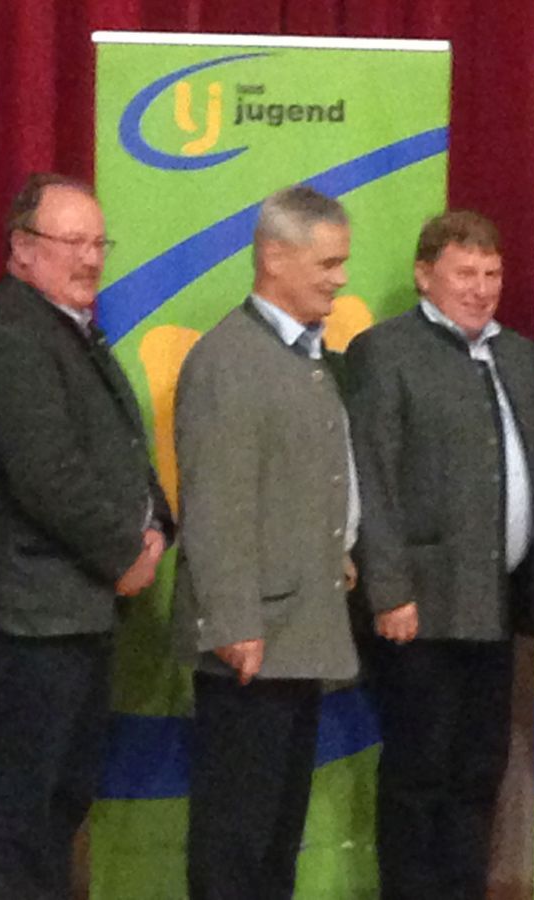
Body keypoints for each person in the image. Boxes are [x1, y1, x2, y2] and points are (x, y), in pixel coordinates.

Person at [0, 173, 172, 900]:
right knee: (20, 814)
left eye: (99, 243)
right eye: (71, 242)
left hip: (71, 615)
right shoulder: (8, 336)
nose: (90, 258)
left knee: (61, 802)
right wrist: (125, 553)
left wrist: (157, 525)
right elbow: (48, 475)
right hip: (26, 619)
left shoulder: (68, 328)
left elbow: (122, 446)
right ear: (21, 248)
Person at [347, 210, 534, 900]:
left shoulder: (517, 355)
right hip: (419, 610)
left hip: (496, 605)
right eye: (466, 273)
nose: (482, 288)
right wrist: (389, 591)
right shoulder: (384, 351)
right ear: (424, 275)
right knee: (418, 773)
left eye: (493, 273)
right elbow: (370, 478)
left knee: (479, 770)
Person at [172, 185, 360, 900]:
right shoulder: (229, 359)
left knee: (277, 835)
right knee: (237, 837)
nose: (340, 278)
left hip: (298, 630)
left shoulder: (303, 354)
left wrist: (336, 551)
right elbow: (215, 503)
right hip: (253, 642)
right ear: (275, 257)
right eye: (328, 263)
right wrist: (233, 622)